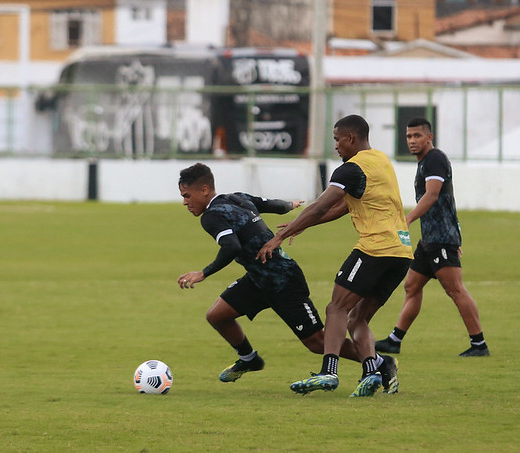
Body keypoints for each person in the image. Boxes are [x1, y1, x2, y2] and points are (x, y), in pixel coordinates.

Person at [257, 114, 410, 397]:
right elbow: (342, 208)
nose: (336, 146)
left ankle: (329, 372)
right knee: (357, 318)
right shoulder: (381, 160)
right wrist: (300, 227)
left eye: (337, 140)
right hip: (402, 253)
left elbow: (319, 205)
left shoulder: (350, 170)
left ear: (350, 138)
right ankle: (371, 373)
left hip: (375, 248)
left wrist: (280, 235)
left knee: (336, 308)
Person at [177, 162, 363, 383]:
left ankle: (376, 361)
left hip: (283, 280)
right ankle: (249, 359)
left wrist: (204, 273)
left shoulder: (211, 217)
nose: (185, 202)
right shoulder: (237, 197)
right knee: (217, 315)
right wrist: (289, 204)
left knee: (317, 342)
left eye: (187, 196)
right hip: (258, 279)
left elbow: (231, 246)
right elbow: (269, 204)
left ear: (205, 190)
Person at [375, 118, 489, 358]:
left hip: (441, 239)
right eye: (409, 136)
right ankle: (395, 340)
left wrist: (406, 220)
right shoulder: (425, 162)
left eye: (417, 136)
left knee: (455, 289)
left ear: (429, 137)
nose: (412, 141)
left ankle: (479, 344)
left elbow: (433, 195)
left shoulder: (435, 158)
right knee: (412, 286)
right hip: (430, 239)